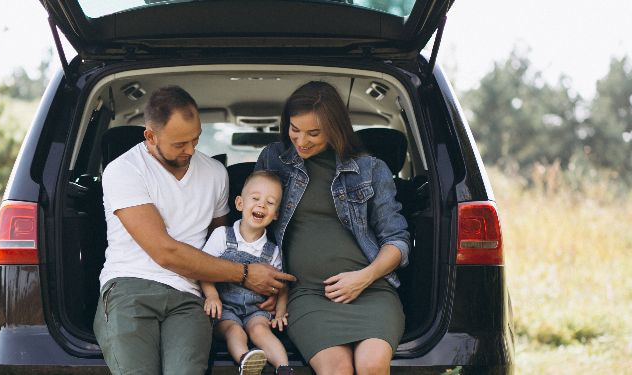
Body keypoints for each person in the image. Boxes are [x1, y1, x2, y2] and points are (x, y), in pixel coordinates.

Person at [94, 85, 295, 375]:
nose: (191, 150)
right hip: (130, 287)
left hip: (190, 296)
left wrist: (263, 289)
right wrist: (247, 276)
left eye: (196, 139)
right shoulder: (124, 170)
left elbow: (226, 243)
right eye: (179, 144)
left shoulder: (215, 173)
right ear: (150, 137)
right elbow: (165, 252)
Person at [254, 81, 410, 374]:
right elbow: (254, 224)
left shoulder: (371, 169)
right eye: (294, 129)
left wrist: (363, 278)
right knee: (337, 370)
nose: (301, 141)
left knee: (371, 364)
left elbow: (398, 240)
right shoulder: (274, 159)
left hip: (371, 291)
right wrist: (268, 281)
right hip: (306, 294)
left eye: (313, 133)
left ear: (336, 128)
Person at [200, 171, 295, 375]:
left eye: (270, 203)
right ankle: (246, 361)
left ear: (276, 214)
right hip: (224, 309)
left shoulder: (272, 250)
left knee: (260, 329)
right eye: (255, 198)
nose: (262, 205)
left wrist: (279, 311)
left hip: (256, 309)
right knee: (233, 329)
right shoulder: (222, 236)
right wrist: (212, 296)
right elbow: (204, 270)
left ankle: (284, 368)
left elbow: (282, 285)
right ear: (240, 203)